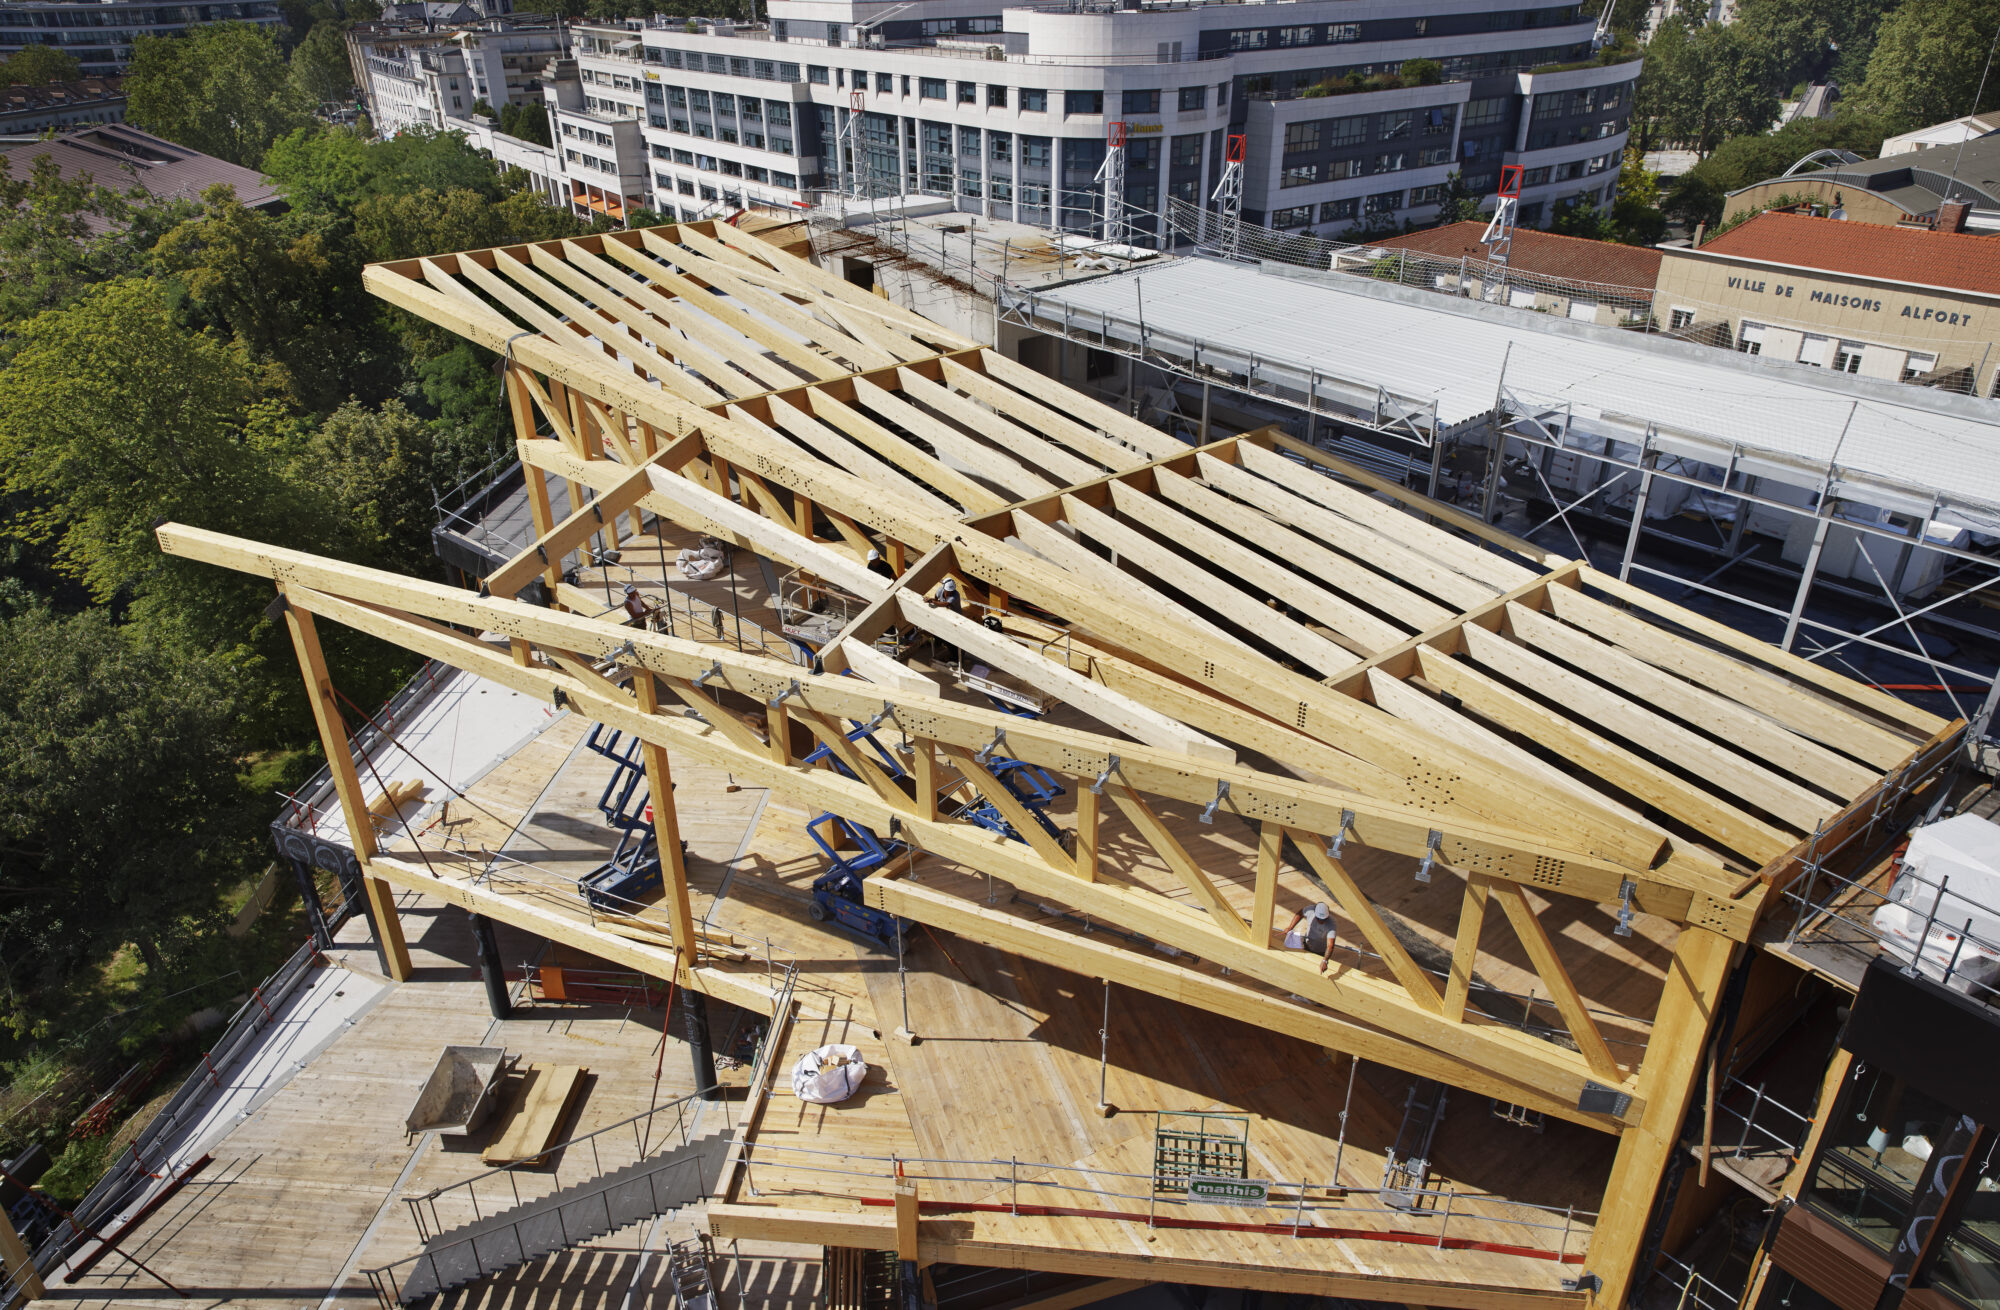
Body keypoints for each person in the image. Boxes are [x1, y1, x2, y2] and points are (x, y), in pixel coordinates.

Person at [1282, 902, 1338, 973]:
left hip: (1320, 951)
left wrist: (1325, 960)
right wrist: (1290, 927)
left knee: (1315, 971)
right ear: (1315, 913)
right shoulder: (1310, 910)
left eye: (1323, 919)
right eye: (1318, 919)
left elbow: (1330, 946)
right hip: (1307, 944)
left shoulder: (1331, 924)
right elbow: (1300, 913)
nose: (1321, 921)